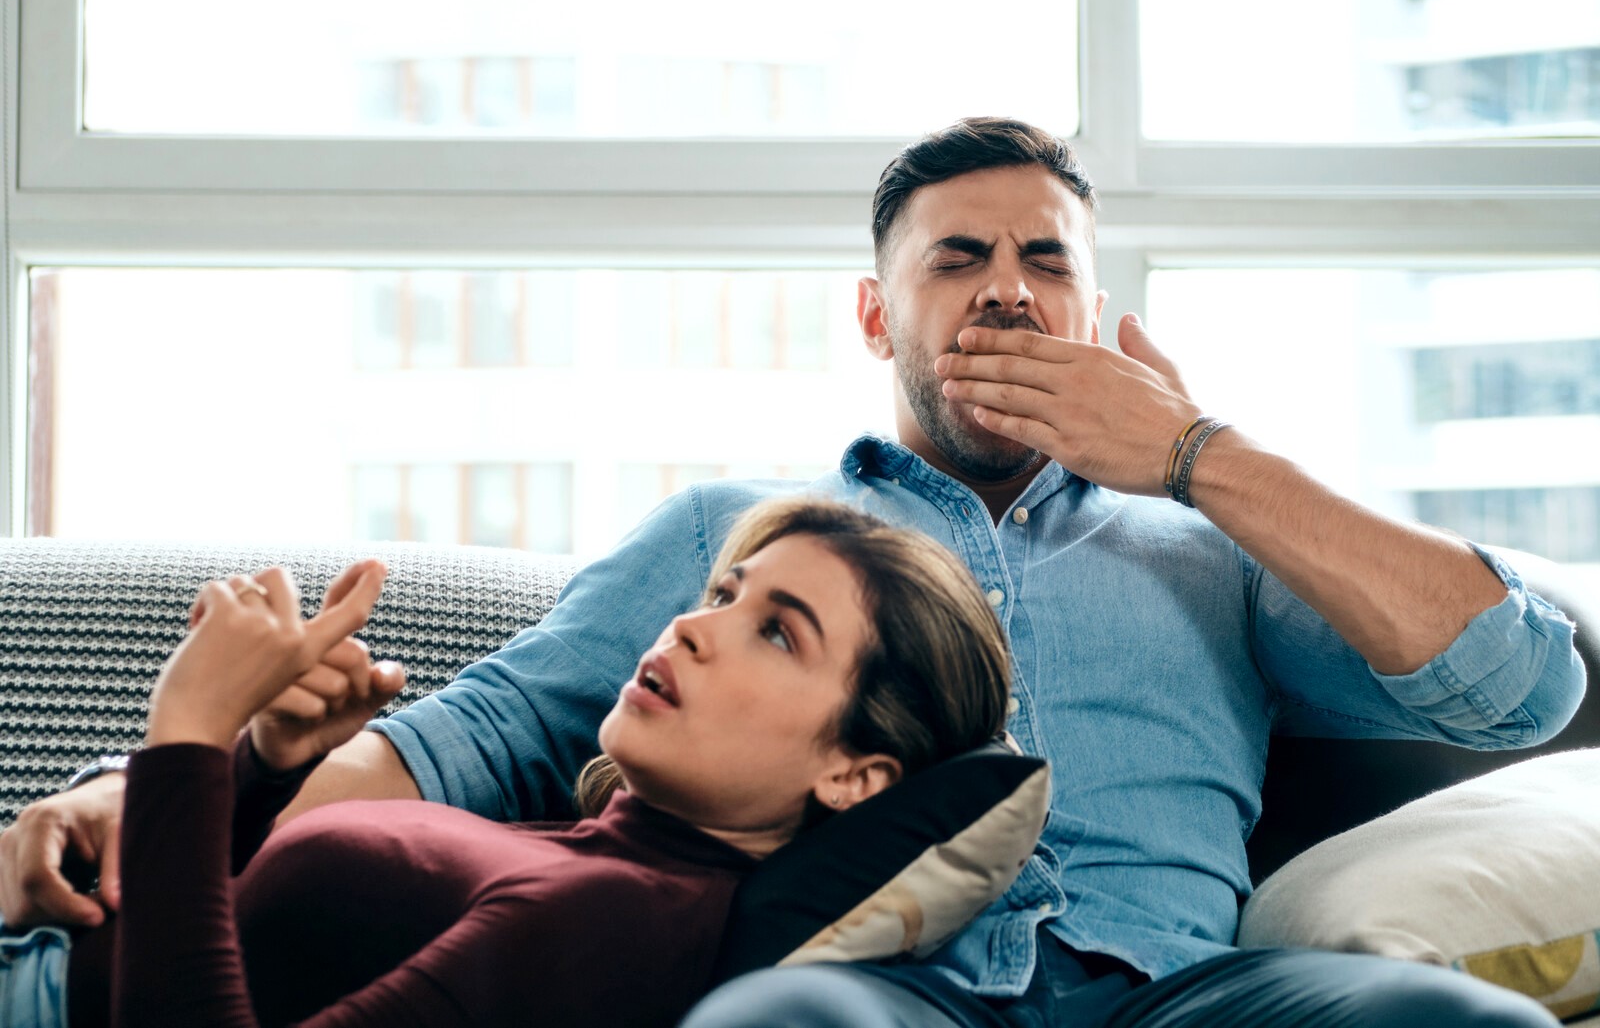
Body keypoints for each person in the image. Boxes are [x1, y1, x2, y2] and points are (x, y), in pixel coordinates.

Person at [1, 117, 1585, 1028]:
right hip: (884, 988)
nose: (1010, 294)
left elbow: (1521, 684)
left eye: (1049, 263)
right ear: (875, 312)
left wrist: (1198, 454)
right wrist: (141, 810)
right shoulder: (735, 536)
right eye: (958, 258)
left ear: (1100, 314)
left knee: (1456, 1027)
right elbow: (470, 736)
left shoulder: (1210, 539)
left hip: (1183, 993)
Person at [1, 497, 1012, 1027]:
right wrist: (264, 763)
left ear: (855, 775)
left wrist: (185, 732)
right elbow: (254, 942)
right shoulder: (606, 853)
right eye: (720, 594)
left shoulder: (618, 919)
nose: (694, 628)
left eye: (778, 633)